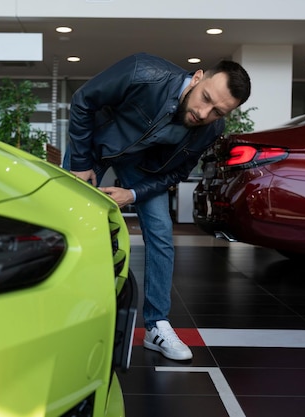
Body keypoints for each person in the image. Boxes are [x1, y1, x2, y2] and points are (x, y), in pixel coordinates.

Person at [63, 52, 251, 360]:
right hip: (94, 145)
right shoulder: (144, 71)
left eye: (217, 111)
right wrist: (82, 162)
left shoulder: (210, 129)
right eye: (205, 99)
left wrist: (133, 194)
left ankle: (157, 326)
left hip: (143, 168)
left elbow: (176, 173)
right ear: (197, 77)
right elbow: (85, 100)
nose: (204, 113)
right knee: (71, 222)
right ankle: (68, 314)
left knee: (162, 233)